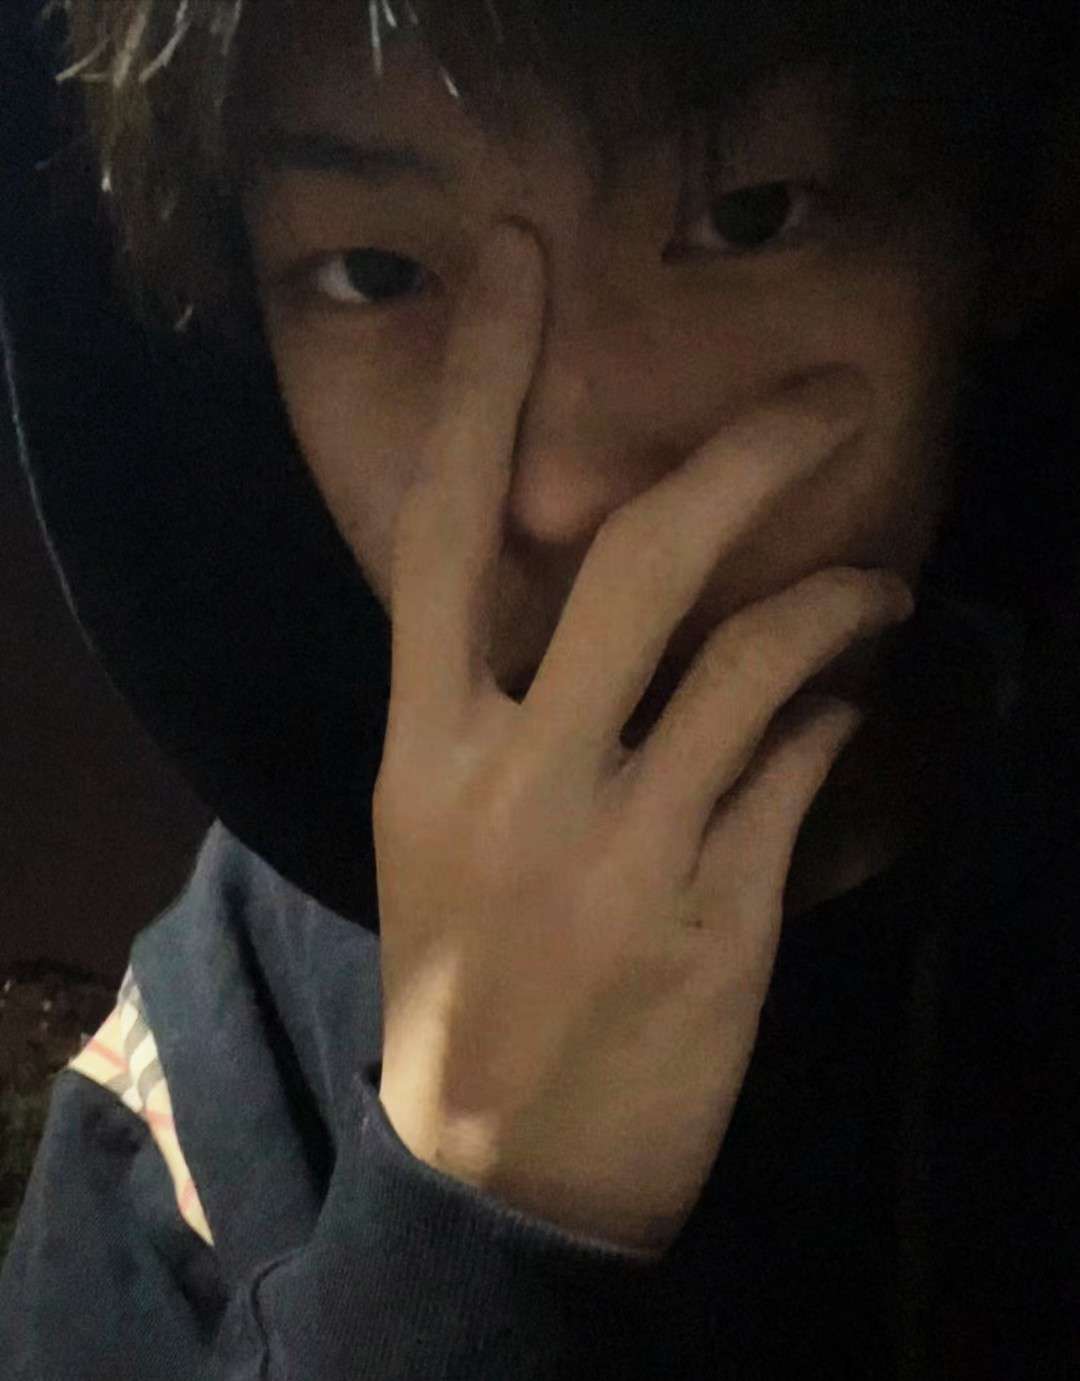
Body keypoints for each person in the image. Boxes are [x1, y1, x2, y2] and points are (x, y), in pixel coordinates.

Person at [1, 0, 1078, 1374]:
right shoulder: (197, 1099)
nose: (562, 492)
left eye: (750, 217)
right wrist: (474, 1213)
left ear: (1004, 235)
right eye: (378, 273)